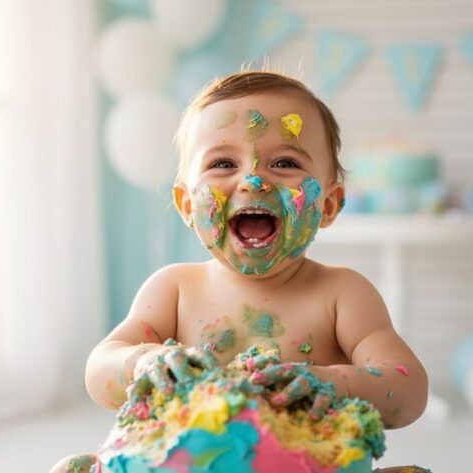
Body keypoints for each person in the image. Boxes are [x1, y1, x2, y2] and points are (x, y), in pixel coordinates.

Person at [53, 71, 430, 473]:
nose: (253, 180)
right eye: (223, 163)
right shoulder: (174, 289)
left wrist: (335, 384)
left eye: (284, 162)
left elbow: (408, 389)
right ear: (185, 205)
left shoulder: (343, 294)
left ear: (330, 204)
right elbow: (99, 371)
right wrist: (146, 362)